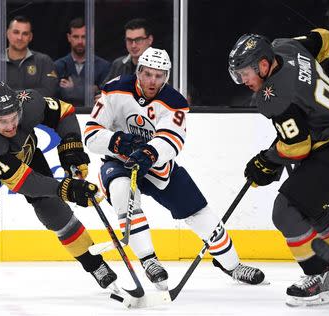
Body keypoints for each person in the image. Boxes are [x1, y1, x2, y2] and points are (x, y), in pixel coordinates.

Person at [228, 29, 329, 307]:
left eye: (245, 73)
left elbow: (297, 147)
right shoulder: (287, 46)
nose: (243, 80)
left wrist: (266, 161)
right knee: (309, 208)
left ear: (263, 65)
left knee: (285, 210)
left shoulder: (273, 96)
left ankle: (318, 277)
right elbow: (325, 38)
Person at [84, 47, 266, 291]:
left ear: (167, 77)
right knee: (121, 190)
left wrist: (149, 153)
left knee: (202, 215)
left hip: (159, 167)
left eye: (159, 76)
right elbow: (91, 134)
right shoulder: (114, 89)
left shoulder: (174, 102)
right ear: (138, 71)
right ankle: (149, 261)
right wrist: (118, 141)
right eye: (147, 74)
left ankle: (232, 266)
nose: (152, 81)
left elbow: (172, 139)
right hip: (120, 162)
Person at [0, 81, 117, 295]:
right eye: (3, 121)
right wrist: (67, 189)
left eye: (14, 118)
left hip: (23, 152)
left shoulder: (29, 102)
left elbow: (64, 112)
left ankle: (95, 264)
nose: (11, 126)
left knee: (53, 210)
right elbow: (22, 181)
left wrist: (71, 145)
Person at [0, 16, 58, 97]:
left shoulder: (44, 61)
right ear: (8, 33)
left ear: (30, 37)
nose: (20, 38)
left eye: (25, 34)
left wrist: (11, 96)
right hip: (6, 110)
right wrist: (25, 96)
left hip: (36, 110)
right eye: (16, 32)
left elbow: (48, 91)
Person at [54, 17, 111, 107]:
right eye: (76, 37)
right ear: (69, 38)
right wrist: (90, 90)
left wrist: (72, 89)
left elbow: (106, 99)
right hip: (65, 117)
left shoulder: (104, 66)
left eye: (84, 37)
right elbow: (54, 97)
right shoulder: (58, 66)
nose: (80, 41)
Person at [101, 18, 154, 86]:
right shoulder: (118, 64)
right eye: (129, 40)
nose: (133, 45)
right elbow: (104, 90)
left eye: (138, 40)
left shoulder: (161, 66)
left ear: (150, 40)